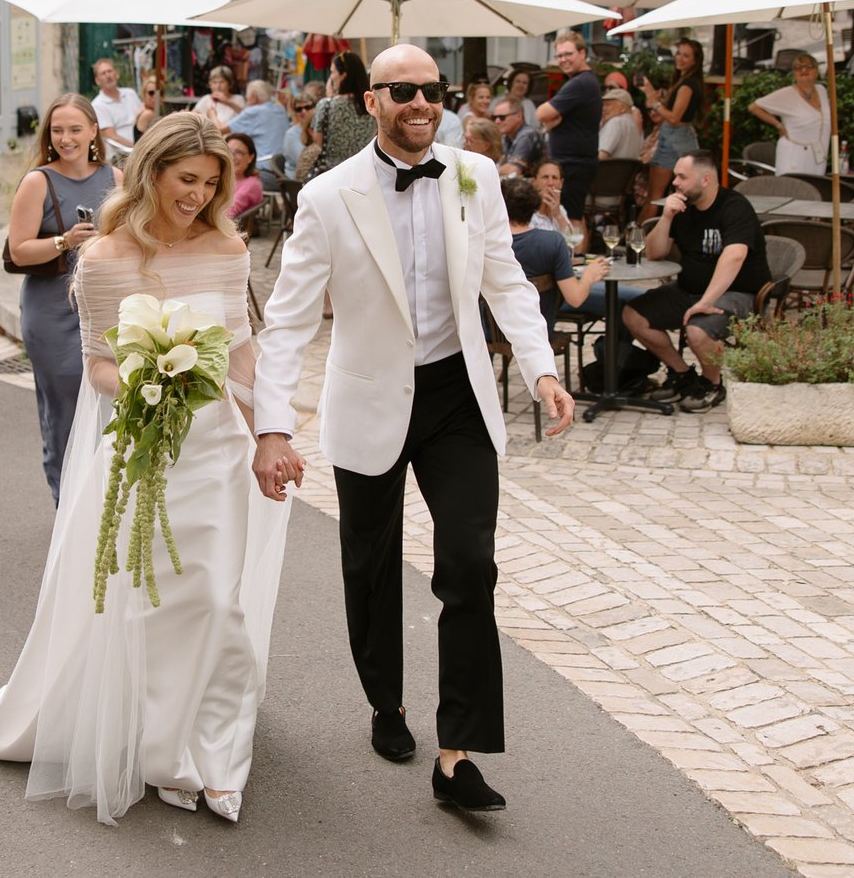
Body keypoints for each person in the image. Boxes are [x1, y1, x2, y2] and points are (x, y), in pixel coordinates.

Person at [0, 113, 290, 825]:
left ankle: (206, 749)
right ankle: (160, 747)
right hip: (148, 451)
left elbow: (245, 358)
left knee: (215, 599)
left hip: (217, 453)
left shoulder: (226, 245)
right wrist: (155, 382)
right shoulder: (105, 259)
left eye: (211, 183)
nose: (197, 194)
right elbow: (98, 367)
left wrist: (270, 434)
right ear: (151, 171)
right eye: (187, 179)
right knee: (151, 603)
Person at [251, 43, 575, 812]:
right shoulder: (328, 198)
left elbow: (506, 282)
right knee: (369, 567)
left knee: (469, 564)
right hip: (369, 397)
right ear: (371, 101)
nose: (420, 103)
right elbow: (290, 322)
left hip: (456, 397)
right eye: (402, 90)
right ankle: (385, 703)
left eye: (432, 90)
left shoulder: (474, 177)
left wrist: (543, 369)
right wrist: (272, 428)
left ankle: (457, 753)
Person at [5, 93, 121, 503]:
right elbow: (18, 250)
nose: (66, 139)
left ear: (94, 129)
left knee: (110, 405)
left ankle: (103, 500)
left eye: (75, 129)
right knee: (65, 409)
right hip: (52, 311)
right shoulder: (38, 180)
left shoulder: (115, 178)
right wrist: (64, 240)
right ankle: (67, 502)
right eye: (57, 131)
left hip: (107, 308)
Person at [622, 149, 769, 414]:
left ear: (705, 180)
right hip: (688, 290)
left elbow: (735, 256)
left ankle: (712, 383)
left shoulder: (735, 206)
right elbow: (654, 253)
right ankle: (682, 373)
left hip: (738, 293)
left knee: (698, 329)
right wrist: (666, 216)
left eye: (681, 177)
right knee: (633, 315)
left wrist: (707, 301)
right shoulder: (683, 209)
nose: (674, 182)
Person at [500, 177, 608, 329]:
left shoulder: (488, 242)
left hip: (492, 333)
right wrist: (589, 276)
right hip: (537, 333)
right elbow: (575, 299)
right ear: (535, 206)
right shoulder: (552, 242)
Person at [537, 31, 602, 219]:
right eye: (559, 56)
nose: (563, 59)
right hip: (574, 162)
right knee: (571, 214)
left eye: (568, 54)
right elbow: (546, 116)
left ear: (583, 53)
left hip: (574, 164)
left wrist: (551, 120)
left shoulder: (580, 82)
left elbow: (540, 112)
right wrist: (551, 121)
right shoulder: (581, 81)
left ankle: (576, 249)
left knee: (571, 217)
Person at [748, 53, 831, 174]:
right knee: (792, 189)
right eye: (798, 68)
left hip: (817, 156)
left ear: (817, 71)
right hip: (793, 156)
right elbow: (754, 107)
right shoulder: (787, 94)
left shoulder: (821, 90)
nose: (803, 70)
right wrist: (778, 125)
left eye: (808, 66)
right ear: (794, 73)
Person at [636, 37, 704, 170]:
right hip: (680, 136)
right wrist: (649, 91)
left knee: (656, 189)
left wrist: (656, 104)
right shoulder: (683, 80)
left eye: (686, 56)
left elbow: (674, 118)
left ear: (694, 61)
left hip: (674, 137)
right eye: (678, 53)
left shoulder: (687, 85)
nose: (680, 58)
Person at [310, 50, 377, 171]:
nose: (331, 77)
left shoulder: (326, 106)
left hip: (333, 173)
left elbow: (317, 143)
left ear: (343, 75)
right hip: (365, 172)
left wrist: (330, 96)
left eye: (333, 72)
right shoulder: (373, 106)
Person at [222, 79, 289, 168]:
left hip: (263, 167)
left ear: (254, 97)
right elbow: (247, 117)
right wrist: (228, 103)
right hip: (281, 166)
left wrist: (212, 113)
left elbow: (220, 130)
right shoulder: (279, 108)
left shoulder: (254, 112)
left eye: (247, 98)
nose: (247, 101)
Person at [91, 58, 143, 152]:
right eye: (103, 73)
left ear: (116, 74)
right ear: (97, 80)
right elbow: (112, 137)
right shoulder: (97, 105)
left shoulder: (130, 93)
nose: (108, 75)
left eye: (110, 71)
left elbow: (143, 117)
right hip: (122, 153)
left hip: (142, 142)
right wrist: (138, 148)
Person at [491, 96, 545, 173]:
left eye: (502, 117)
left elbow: (513, 169)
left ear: (519, 116)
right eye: (494, 117)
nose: (497, 121)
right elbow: (501, 163)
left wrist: (487, 173)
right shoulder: (506, 137)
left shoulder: (527, 135)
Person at [226, 132, 264, 220]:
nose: (232, 157)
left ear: (250, 157)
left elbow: (228, 213)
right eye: (228, 151)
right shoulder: (222, 179)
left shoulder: (251, 185)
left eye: (239, 152)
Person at [598, 88, 643, 161]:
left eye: (608, 105)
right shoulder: (633, 125)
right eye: (603, 105)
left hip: (606, 171)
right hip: (626, 172)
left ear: (622, 108)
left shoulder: (615, 122)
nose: (603, 108)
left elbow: (600, 156)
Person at [502, 67, 542, 132]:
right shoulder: (498, 101)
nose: (521, 85)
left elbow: (536, 128)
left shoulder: (529, 104)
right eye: (518, 81)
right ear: (511, 83)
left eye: (524, 83)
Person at [134, 74, 162, 140]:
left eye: (159, 93)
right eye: (151, 93)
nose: (155, 96)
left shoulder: (143, 109)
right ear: (144, 94)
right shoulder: (148, 114)